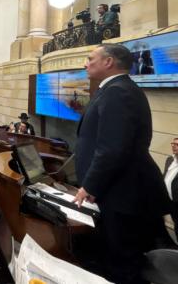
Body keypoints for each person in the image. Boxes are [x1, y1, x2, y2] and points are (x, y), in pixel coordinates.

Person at [73, 44, 170, 284]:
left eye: (90, 58)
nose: (85, 63)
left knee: (122, 267)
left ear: (108, 62)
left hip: (123, 197)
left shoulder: (119, 92)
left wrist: (90, 186)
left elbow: (112, 148)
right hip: (118, 193)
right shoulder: (115, 89)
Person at [164, 138, 178, 241]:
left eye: (177, 144)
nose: (173, 146)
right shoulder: (170, 160)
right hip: (170, 203)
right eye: (173, 143)